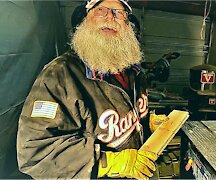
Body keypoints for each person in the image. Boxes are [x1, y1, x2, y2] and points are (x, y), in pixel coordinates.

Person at [16, 0, 158, 179]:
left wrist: (147, 122)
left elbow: (124, 115)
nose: (110, 17)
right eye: (100, 10)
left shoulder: (134, 72)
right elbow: (36, 153)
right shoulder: (59, 75)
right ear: (84, 19)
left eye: (118, 12)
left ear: (129, 24)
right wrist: (110, 162)